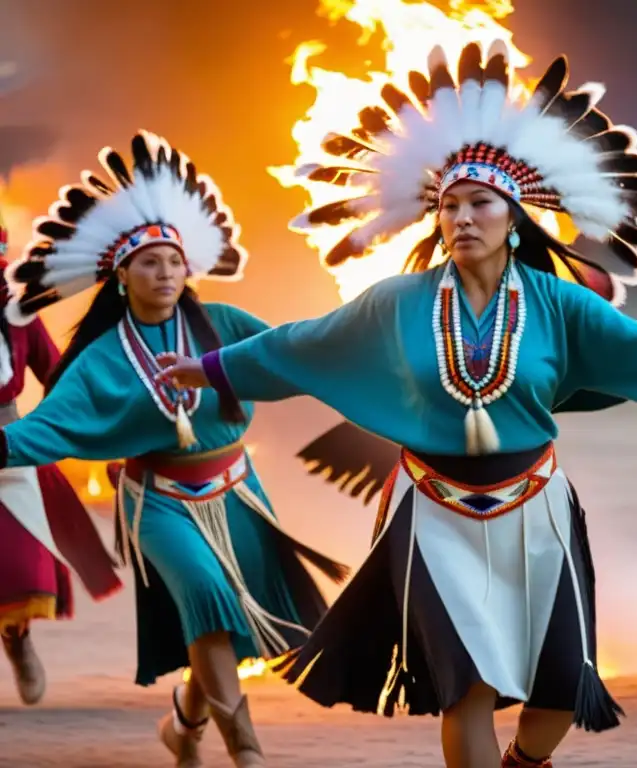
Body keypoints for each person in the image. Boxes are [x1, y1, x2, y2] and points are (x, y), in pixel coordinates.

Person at [154, 41, 637, 768]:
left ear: (515, 215)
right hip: (432, 513)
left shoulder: (557, 302)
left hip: (536, 509)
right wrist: (211, 369)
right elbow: (303, 346)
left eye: (480, 203)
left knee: (559, 691)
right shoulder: (398, 303)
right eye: (449, 206)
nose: (462, 218)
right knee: (468, 691)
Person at [1, 132, 350, 767]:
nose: (164, 273)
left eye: (172, 261)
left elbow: (291, 359)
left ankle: (185, 726)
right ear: (120, 275)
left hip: (238, 492)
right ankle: (248, 754)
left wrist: (368, 360)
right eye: (148, 263)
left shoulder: (226, 326)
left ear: (189, 266)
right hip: (158, 502)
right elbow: (45, 429)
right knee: (207, 595)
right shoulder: (103, 358)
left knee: (235, 628)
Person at [0, 204, 122, 705]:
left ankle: (17, 639)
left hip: (9, 446)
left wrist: (107, 419)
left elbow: (57, 376)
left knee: (21, 568)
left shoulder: (18, 315)